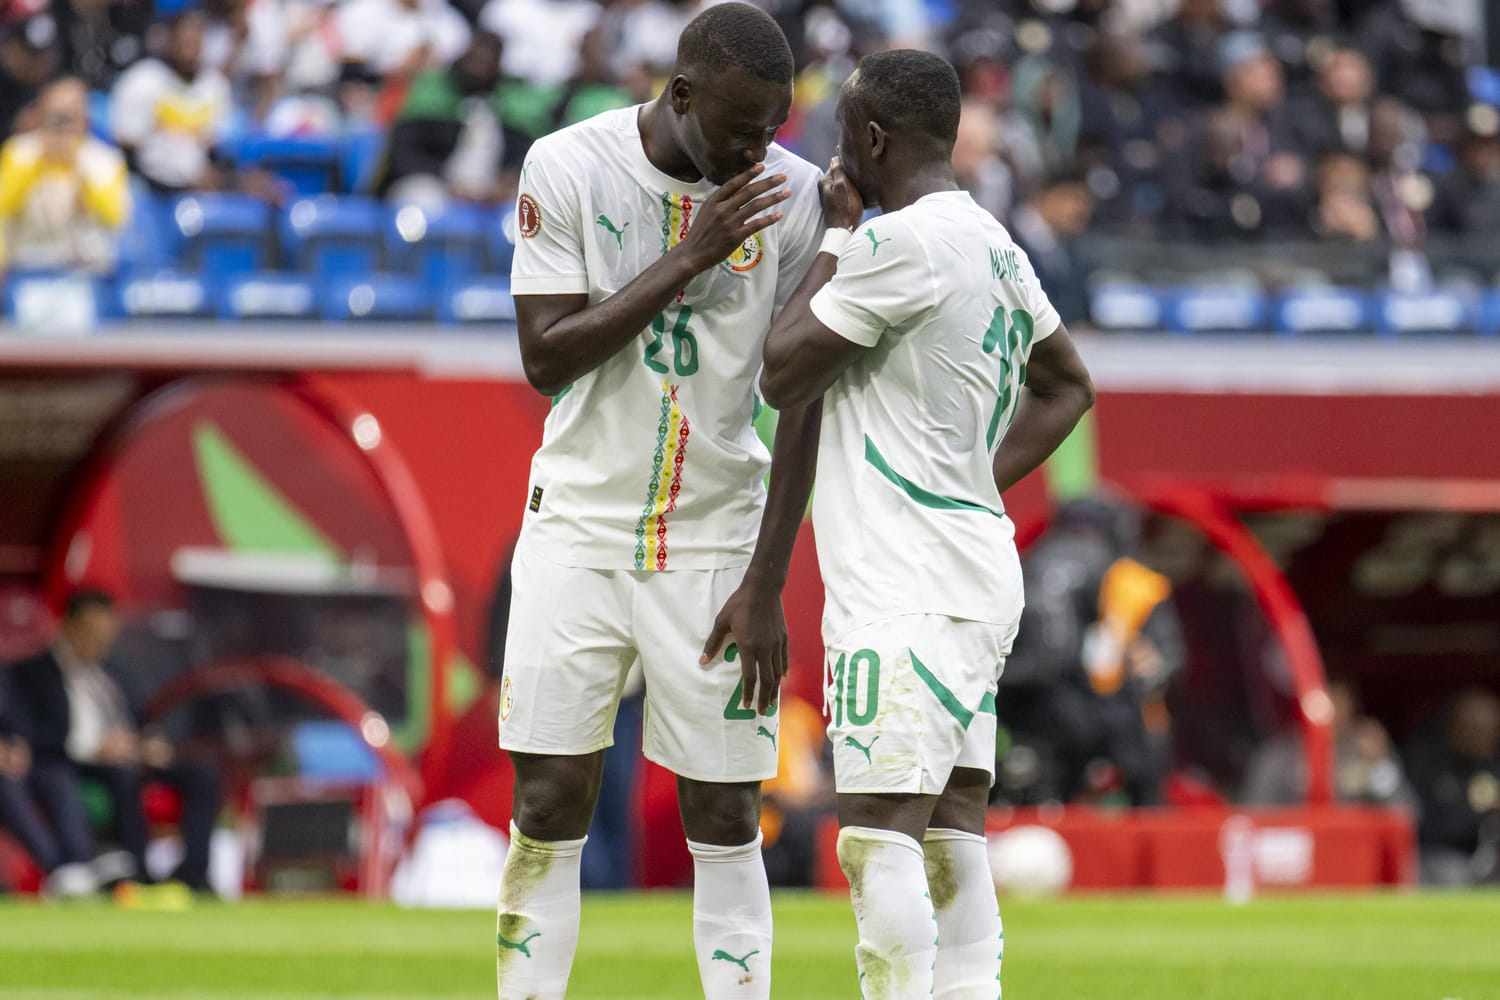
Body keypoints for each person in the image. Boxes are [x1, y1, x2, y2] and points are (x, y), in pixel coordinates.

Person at [496, 4, 825, 998]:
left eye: (773, 129)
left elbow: (803, 400)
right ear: (680, 96)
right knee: (550, 799)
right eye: (740, 130)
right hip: (577, 526)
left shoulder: (799, 199)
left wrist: (769, 582)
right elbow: (545, 358)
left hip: (718, 537)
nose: (757, 151)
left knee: (726, 813)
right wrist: (690, 254)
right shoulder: (566, 165)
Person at [760, 49, 1094, 1000]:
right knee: (951, 825)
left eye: (839, 139)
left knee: (874, 829)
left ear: (869, 139)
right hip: (976, 568)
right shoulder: (996, 241)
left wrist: (831, 235)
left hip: (900, 584)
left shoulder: (892, 245)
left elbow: (783, 372)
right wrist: (976, 479)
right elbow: (1071, 385)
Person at [7, 591, 222, 892]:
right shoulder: (31, 672)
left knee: (202, 775)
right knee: (123, 776)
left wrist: (149, 743)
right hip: (75, 760)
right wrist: (95, 747)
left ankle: (191, 876)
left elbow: (141, 717)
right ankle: (138, 875)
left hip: (129, 753)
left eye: (106, 635)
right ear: (65, 625)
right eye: (91, 633)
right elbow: (28, 733)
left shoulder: (115, 670)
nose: (99, 643)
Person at [0, 76, 130, 275]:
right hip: (27, 269)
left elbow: (115, 218)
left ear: (85, 116)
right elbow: (4, 205)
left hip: (88, 273)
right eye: (56, 116)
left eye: (69, 116)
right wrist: (40, 163)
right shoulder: (20, 152)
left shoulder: (105, 160)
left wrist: (79, 167)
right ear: (41, 113)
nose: (62, 126)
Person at [109, 9, 232, 193]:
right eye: (183, 37)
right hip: (152, 184)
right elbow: (128, 146)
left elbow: (218, 147)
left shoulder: (215, 85)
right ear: (168, 37)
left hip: (203, 182)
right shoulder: (141, 79)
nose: (189, 46)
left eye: (195, 37)